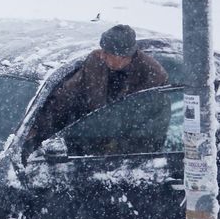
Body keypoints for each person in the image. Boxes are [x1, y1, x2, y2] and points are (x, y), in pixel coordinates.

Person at [30, 24, 168, 147]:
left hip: (128, 153)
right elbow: (66, 96)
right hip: (88, 138)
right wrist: (37, 126)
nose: (101, 55)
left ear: (124, 56)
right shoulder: (95, 62)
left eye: (106, 53)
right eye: (102, 50)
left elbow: (151, 126)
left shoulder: (152, 76)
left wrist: (117, 146)